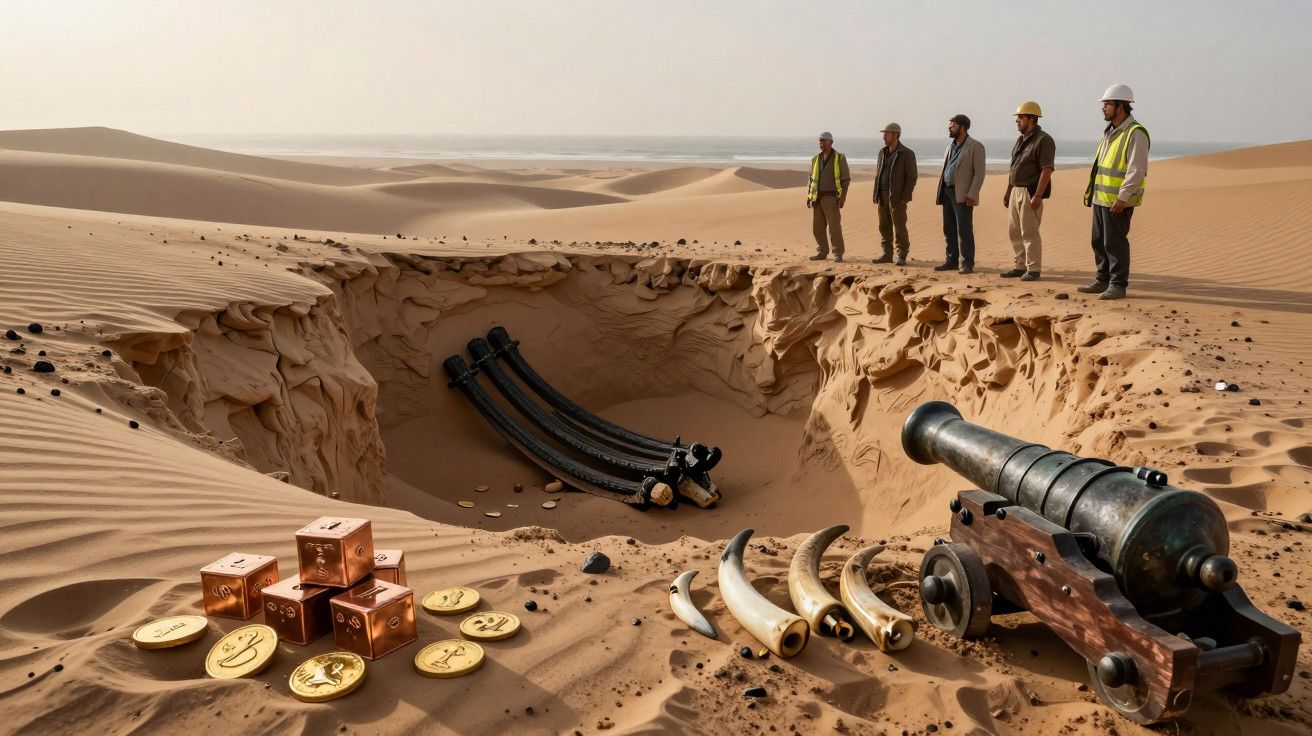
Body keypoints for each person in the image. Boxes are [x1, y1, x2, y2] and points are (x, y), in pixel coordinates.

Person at [1080, 83, 1149, 300]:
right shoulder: (1110, 133)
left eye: (1108, 104)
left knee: (1115, 244)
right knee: (1098, 241)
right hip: (1101, 199)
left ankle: (1118, 285)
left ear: (1121, 106)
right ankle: (1102, 280)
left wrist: (1122, 197)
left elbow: (1136, 170)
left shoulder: (1135, 133)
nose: (1103, 108)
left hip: (1117, 201)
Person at [1001, 101, 1056, 281]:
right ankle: (1019, 266)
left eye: (1020, 117)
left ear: (1031, 119)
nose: (1017, 121)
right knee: (1014, 231)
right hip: (1015, 190)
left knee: (1029, 232)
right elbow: (1014, 167)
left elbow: (1047, 169)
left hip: (1030, 191)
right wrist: (1008, 191)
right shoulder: (1021, 140)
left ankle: (1033, 269)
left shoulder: (1044, 140)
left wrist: (1038, 195)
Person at [934, 114, 986, 274]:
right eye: (950, 124)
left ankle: (967, 263)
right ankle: (951, 260)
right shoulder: (950, 147)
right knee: (948, 228)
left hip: (963, 194)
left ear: (962, 127)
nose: (949, 127)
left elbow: (979, 173)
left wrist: (972, 194)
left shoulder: (975, 146)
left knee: (964, 229)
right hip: (947, 191)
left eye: (953, 125)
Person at [871, 123, 918, 266]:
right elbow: (878, 175)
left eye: (887, 134)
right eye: (884, 134)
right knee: (883, 227)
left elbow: (912, 177)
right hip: (882, 195)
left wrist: (905, 197)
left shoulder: (907, 153)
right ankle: (887, 254)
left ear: (896, 135)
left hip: (897, 197)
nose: (884, 137)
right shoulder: (882, 152)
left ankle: (902, 255)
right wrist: (876, 194)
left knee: (899, 227)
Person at [806, 131, 851, 263]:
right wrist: (809, 196)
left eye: (824, 141)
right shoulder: (815, 159)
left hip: (831, 198)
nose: (821, 144)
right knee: (817, 228)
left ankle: (838, 253)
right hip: (817, 198)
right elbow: (811, 179)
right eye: (820, 141)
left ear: (831, 142)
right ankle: (822, 252)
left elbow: (846, 180)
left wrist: (843, 197)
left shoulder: (839, 158)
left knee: (834, 227)